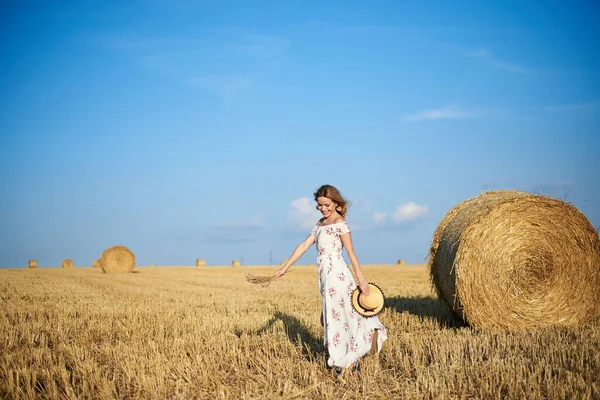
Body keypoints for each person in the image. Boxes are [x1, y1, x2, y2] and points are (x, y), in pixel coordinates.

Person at [275, 184, 387, 374]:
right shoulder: (320, 224)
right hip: (324, 275)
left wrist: (361, 280)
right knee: (333, 315)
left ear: (336, 203)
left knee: (340, 315)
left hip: (338, 274)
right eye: (320, 205)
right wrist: (285, 266)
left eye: (327, 205)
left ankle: (344, 359)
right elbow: (303, 245)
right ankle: (348, 352)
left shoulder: (340, 223)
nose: (323, 209)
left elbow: (351, 252)